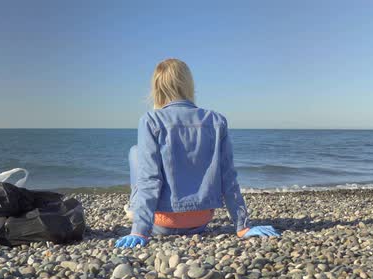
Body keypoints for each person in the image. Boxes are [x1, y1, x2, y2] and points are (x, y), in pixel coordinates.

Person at [115, 59, 279, 248]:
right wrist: (242, 226)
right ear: (188, 84)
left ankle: (134, 210)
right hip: (200, 221)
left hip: (161, 223)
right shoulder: (217, 120)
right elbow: (228, 178)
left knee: (135, 153)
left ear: (157, 87)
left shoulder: (151, 120)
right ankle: (140, 210)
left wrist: (139, 231)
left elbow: (149, 180)